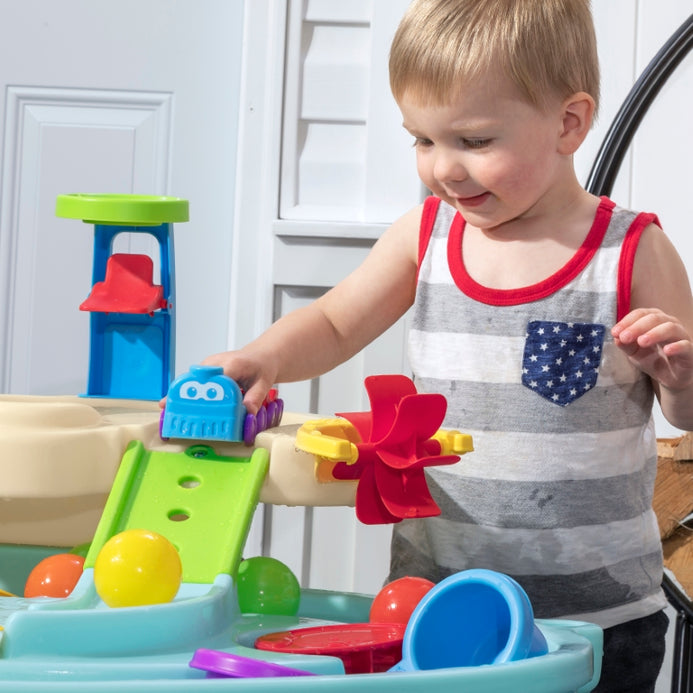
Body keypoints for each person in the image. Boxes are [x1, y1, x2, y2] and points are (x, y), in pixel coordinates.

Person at [202, 1, 693, 689]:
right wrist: (268, 356)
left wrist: (680, 372)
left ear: (568, 123)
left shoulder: (632, 250)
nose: (443, 169)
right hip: (437, 612)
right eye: (423, 140)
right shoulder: (425, 235)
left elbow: (684, 414)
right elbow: (337, 322)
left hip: (599, 621)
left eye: (473, 140)